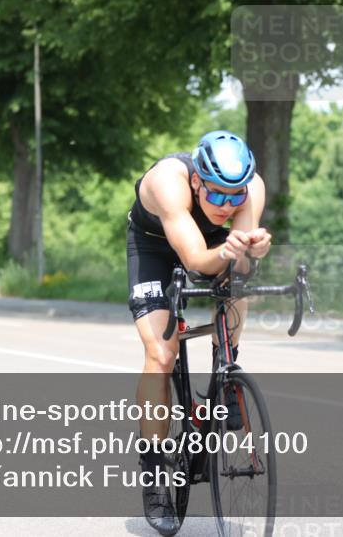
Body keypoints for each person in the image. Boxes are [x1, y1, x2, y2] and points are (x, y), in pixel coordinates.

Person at [126, 130, 271, 535]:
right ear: (196, 182)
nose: (227, 205)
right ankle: (155, 475)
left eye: (235, 197)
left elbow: (236, 269)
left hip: (213, 244)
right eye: (217, 195)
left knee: (237, 284)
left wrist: (250, 251)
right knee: (161, 354)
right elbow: (195, 260)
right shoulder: (168, 182)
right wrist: (230, 251)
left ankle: (226, 372)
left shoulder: (249, 189)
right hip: (156, 244)